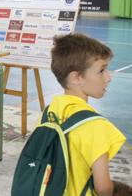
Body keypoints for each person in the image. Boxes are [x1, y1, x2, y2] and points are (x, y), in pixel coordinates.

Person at [47, 33, 126, 196]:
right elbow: (103, 188)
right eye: (101, 70)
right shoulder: (95, 125)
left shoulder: (51, 109)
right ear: (76, 77)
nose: (108, 77)